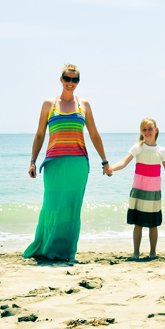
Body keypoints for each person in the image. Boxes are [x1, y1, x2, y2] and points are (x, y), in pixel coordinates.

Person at [24, 64, 111, 262]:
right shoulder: (49, 104)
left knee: (72, 208)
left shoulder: (84, 105)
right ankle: (46, 247)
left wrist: (104, 161)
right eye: (67, 78)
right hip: (53, 163)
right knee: (52, 205)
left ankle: (65, 252)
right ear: (61, 79)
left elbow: (94, 134)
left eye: (75, 80)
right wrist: (32, 161)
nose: (71, 83)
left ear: (78, 82)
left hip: (78, 164)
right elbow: (40, 134)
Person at [110, 118, 165, 260]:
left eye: (150, 129)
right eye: (144, 129)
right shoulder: (137, 148)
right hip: (139, 191)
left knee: (153, 225)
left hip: (154, 192)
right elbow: (123, 163)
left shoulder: (162, 151)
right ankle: (136, 253)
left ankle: (153, 253)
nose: (147, 132)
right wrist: (111, 168)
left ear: (156, 130)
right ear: (141, 132)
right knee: (138, 224)